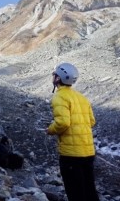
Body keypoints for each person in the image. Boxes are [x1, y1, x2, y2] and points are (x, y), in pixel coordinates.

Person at [47, 62, 99, 201]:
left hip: (71, 155)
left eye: (54, 75)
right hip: (88, 152)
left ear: (58, 79)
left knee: (75, 192)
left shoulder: (59, 96)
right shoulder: (82, 98)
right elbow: (91, 121)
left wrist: (50, 130)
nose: (53, 77)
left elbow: (62, 122)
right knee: (89, 190)